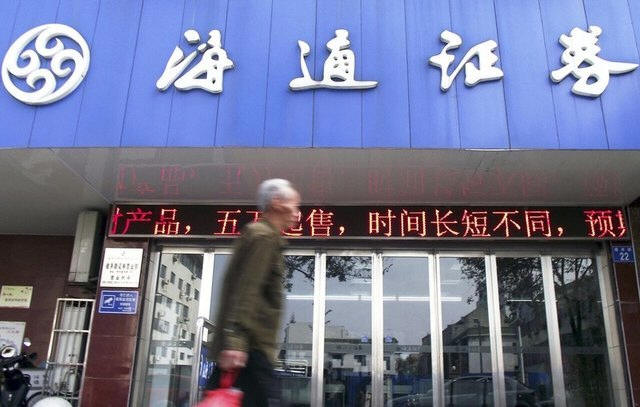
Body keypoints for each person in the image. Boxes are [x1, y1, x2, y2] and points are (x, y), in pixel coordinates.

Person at [203, 179, 300, 407]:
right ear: (276, 202)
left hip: (250, 349)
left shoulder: (263, 236)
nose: (297, 213)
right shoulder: (263, 237)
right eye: (294, 205)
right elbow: (246, 290)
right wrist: (237, 343)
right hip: (250, 351)